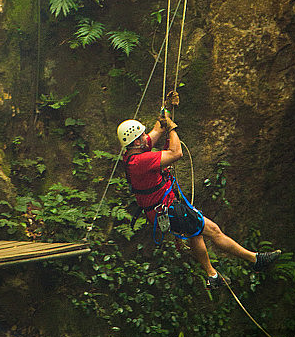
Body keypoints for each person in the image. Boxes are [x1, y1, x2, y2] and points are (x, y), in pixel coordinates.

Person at [117, 114, 281, 288]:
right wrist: (172, 128)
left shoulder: (132, 156)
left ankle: (212, 275)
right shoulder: (141, 161)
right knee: (213, 230)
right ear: (136, 142)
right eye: (142, 136)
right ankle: (254, 259)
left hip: (164, 210)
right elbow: (176, 153)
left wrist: (165, 114)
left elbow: (157, 130)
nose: (146, 138)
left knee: (196, 232)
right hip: (169, 210)